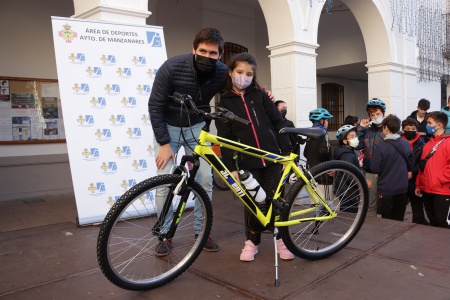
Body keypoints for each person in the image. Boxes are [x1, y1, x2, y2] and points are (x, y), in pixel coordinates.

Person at [148, 27, 228, 256]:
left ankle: (201, 232)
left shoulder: (222, 72)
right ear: (194, 49)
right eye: (202, 51)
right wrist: (164, 143)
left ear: (220, 55)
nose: (207, 56)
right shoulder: (171, 67)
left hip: (196, 128)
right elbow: (155, 105)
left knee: (204, 179)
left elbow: (239, 88)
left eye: (213, 53)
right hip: (169, 128)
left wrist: (264, 93)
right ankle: (164, 234)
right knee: (165, 181)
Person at [215, 52, 294, 262]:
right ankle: (252, 241)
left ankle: (281, 239)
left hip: (273, 158)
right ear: (231, 72)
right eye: (240, 72)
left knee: (276, 200)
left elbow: (278, 122)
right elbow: (225, 138)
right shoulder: (224, 102)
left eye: (249, 73)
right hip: (247, 163)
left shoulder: (259, 95)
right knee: (252, 203)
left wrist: (286, 151)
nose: (244, 77)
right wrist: (230, 167)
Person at [371, 115, 414, 221]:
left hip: (386, 189)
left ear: (386, 128)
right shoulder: (405, 144)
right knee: (399, 218)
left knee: (386, 220)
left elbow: (375, 168)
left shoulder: (380, 147)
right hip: (402, 188)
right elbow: (411, 163)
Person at [415, 111, 450, 228]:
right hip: (427, 189)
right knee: (433, 222)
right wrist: (419, 185)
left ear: (439, 125)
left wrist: (439, 179)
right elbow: (422, 167)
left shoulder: (448, 143)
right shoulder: (428, 144)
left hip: (442, 190)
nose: (427, 125)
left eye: (429, 123)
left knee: (441, 222)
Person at [357, 98, 387, 217]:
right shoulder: (367, 131)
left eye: (378, 114)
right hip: (370, 172)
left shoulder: (388, 130)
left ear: (383, 114)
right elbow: (357, 145)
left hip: (385, 172)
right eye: (372, 115)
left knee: (385, 203)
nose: (375, 117)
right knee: (370, 205)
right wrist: (361, 129)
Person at [401, 117, 428, 225]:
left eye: (413, 129)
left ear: (416, 130)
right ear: (403, 130)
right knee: (399, 208)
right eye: (408, 128)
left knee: (417, 209)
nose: (410, 131)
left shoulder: (422, 145)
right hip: (401, 179)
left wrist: (413, 172)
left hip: (415, 181)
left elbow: (422, 162)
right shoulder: (398, 143)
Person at [333, 124, 360, 212]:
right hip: (349, 192)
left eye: (355, 136)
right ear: (345, 141)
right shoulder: (347, 155)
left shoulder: (346, 152)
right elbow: (349, 175)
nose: (355, 138)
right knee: (350, 214)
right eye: (352, 137)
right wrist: (362, 182)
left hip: (344, 190)